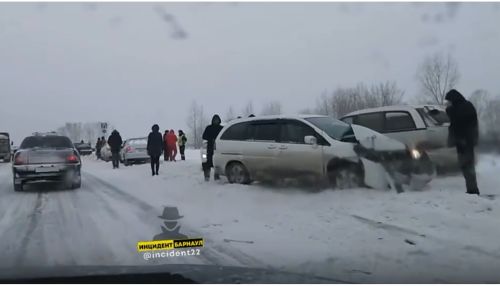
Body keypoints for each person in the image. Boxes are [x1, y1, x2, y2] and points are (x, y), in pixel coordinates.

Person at [445, 89, 480, 195]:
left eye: (449, 101)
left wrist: (449, 109)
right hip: (468, 141)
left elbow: (456, 123)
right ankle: (472, 189)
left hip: (463, 142)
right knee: (468, 166)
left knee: (466, 166)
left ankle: (472, 191)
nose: (448, 103)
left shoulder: (458, 109)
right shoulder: (468, 106)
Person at [202, 114, 223, 181]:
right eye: (214, 120)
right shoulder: (209, 128)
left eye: (217, 120)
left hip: (218, 148)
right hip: (209, 147)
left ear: (219, 120)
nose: (216, 121)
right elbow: (204, 136)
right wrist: (211, 139)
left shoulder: (221, 128)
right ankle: (207, 176)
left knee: (217, 162)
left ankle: (217, 175)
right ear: (212, 120)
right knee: (207, 162)